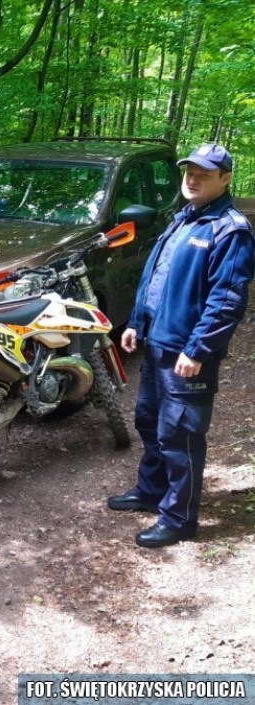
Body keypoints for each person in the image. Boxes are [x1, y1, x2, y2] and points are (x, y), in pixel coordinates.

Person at [108, 144, 254, 548]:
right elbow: (156, 278)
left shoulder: (229, 230)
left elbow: (226, 302)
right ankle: (151, 490)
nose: (192, 179)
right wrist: (137, 322)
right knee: (149, 421)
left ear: (225, 178)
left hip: (187, 353)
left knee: (181, 434)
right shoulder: (183, 219)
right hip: (157, 341)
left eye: (203, 174)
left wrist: (198, 350)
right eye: (189, 172)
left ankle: (178, 518)